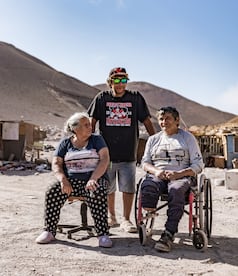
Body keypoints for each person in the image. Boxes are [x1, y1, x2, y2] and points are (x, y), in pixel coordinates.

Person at [87, 67, 156, 233]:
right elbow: (92, 121)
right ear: (110, 81)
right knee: (108, 187)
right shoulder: (102, 98)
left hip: (128, 153)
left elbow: (146, 121)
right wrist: (90, 143)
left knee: (128, 187)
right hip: (106, 155)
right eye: (117, 80)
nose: (120, 84)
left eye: (123, 80)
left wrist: (155, 142)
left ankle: (126, 219)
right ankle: (112, 217)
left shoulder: (135, 98)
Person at [35, 112, 112, 247]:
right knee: (52, 191)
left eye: (89, 124)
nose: (90, 127)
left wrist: (93, 178)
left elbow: (105, 159)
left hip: (95, 178)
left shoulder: (97, 140)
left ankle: (103, 234)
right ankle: (49, 231)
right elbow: (56, 163)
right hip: (72, 180)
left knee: (97, 190)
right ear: (75, 128)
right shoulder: (65, 143)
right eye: (86, 125)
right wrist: (63, 180)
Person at [140, 106, 204, 252]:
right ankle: (149, 212)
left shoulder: (187, 138)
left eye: (168, 118)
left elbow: (198, 164)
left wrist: (179, 174)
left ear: (177, 120)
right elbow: (145, 162)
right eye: (161, 119)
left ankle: (168, 234)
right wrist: (156, 171)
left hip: (181, 176)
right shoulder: (153, 140)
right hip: (159, 175)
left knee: (176, 190)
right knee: (148, 185)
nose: (164, 122)